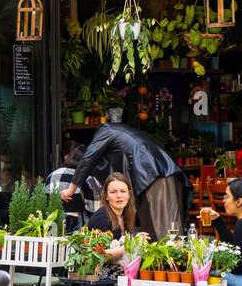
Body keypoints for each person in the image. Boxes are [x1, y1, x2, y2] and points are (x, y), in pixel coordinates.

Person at [62, 108, 191, 238]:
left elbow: (88, 159)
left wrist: (70, 190)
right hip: (169, 173)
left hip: (154, 175)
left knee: (162, 234)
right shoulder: (124, 132)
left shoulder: (105, 131)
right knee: (172, 230)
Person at [87, 172, 147, 263]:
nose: (119, 196)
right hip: (101, 274)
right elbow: (98, 255)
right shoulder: (101, 218)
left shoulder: (127, 214)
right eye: (113, 192)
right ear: (106, 196)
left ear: (129, 194)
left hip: (120, 271)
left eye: (123, 191)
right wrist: (132, 243)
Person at [46, 144, 101, 231]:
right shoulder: (88, 180)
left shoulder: (52, 175)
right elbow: (95, 211)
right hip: (76, 232)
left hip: (51, 228)